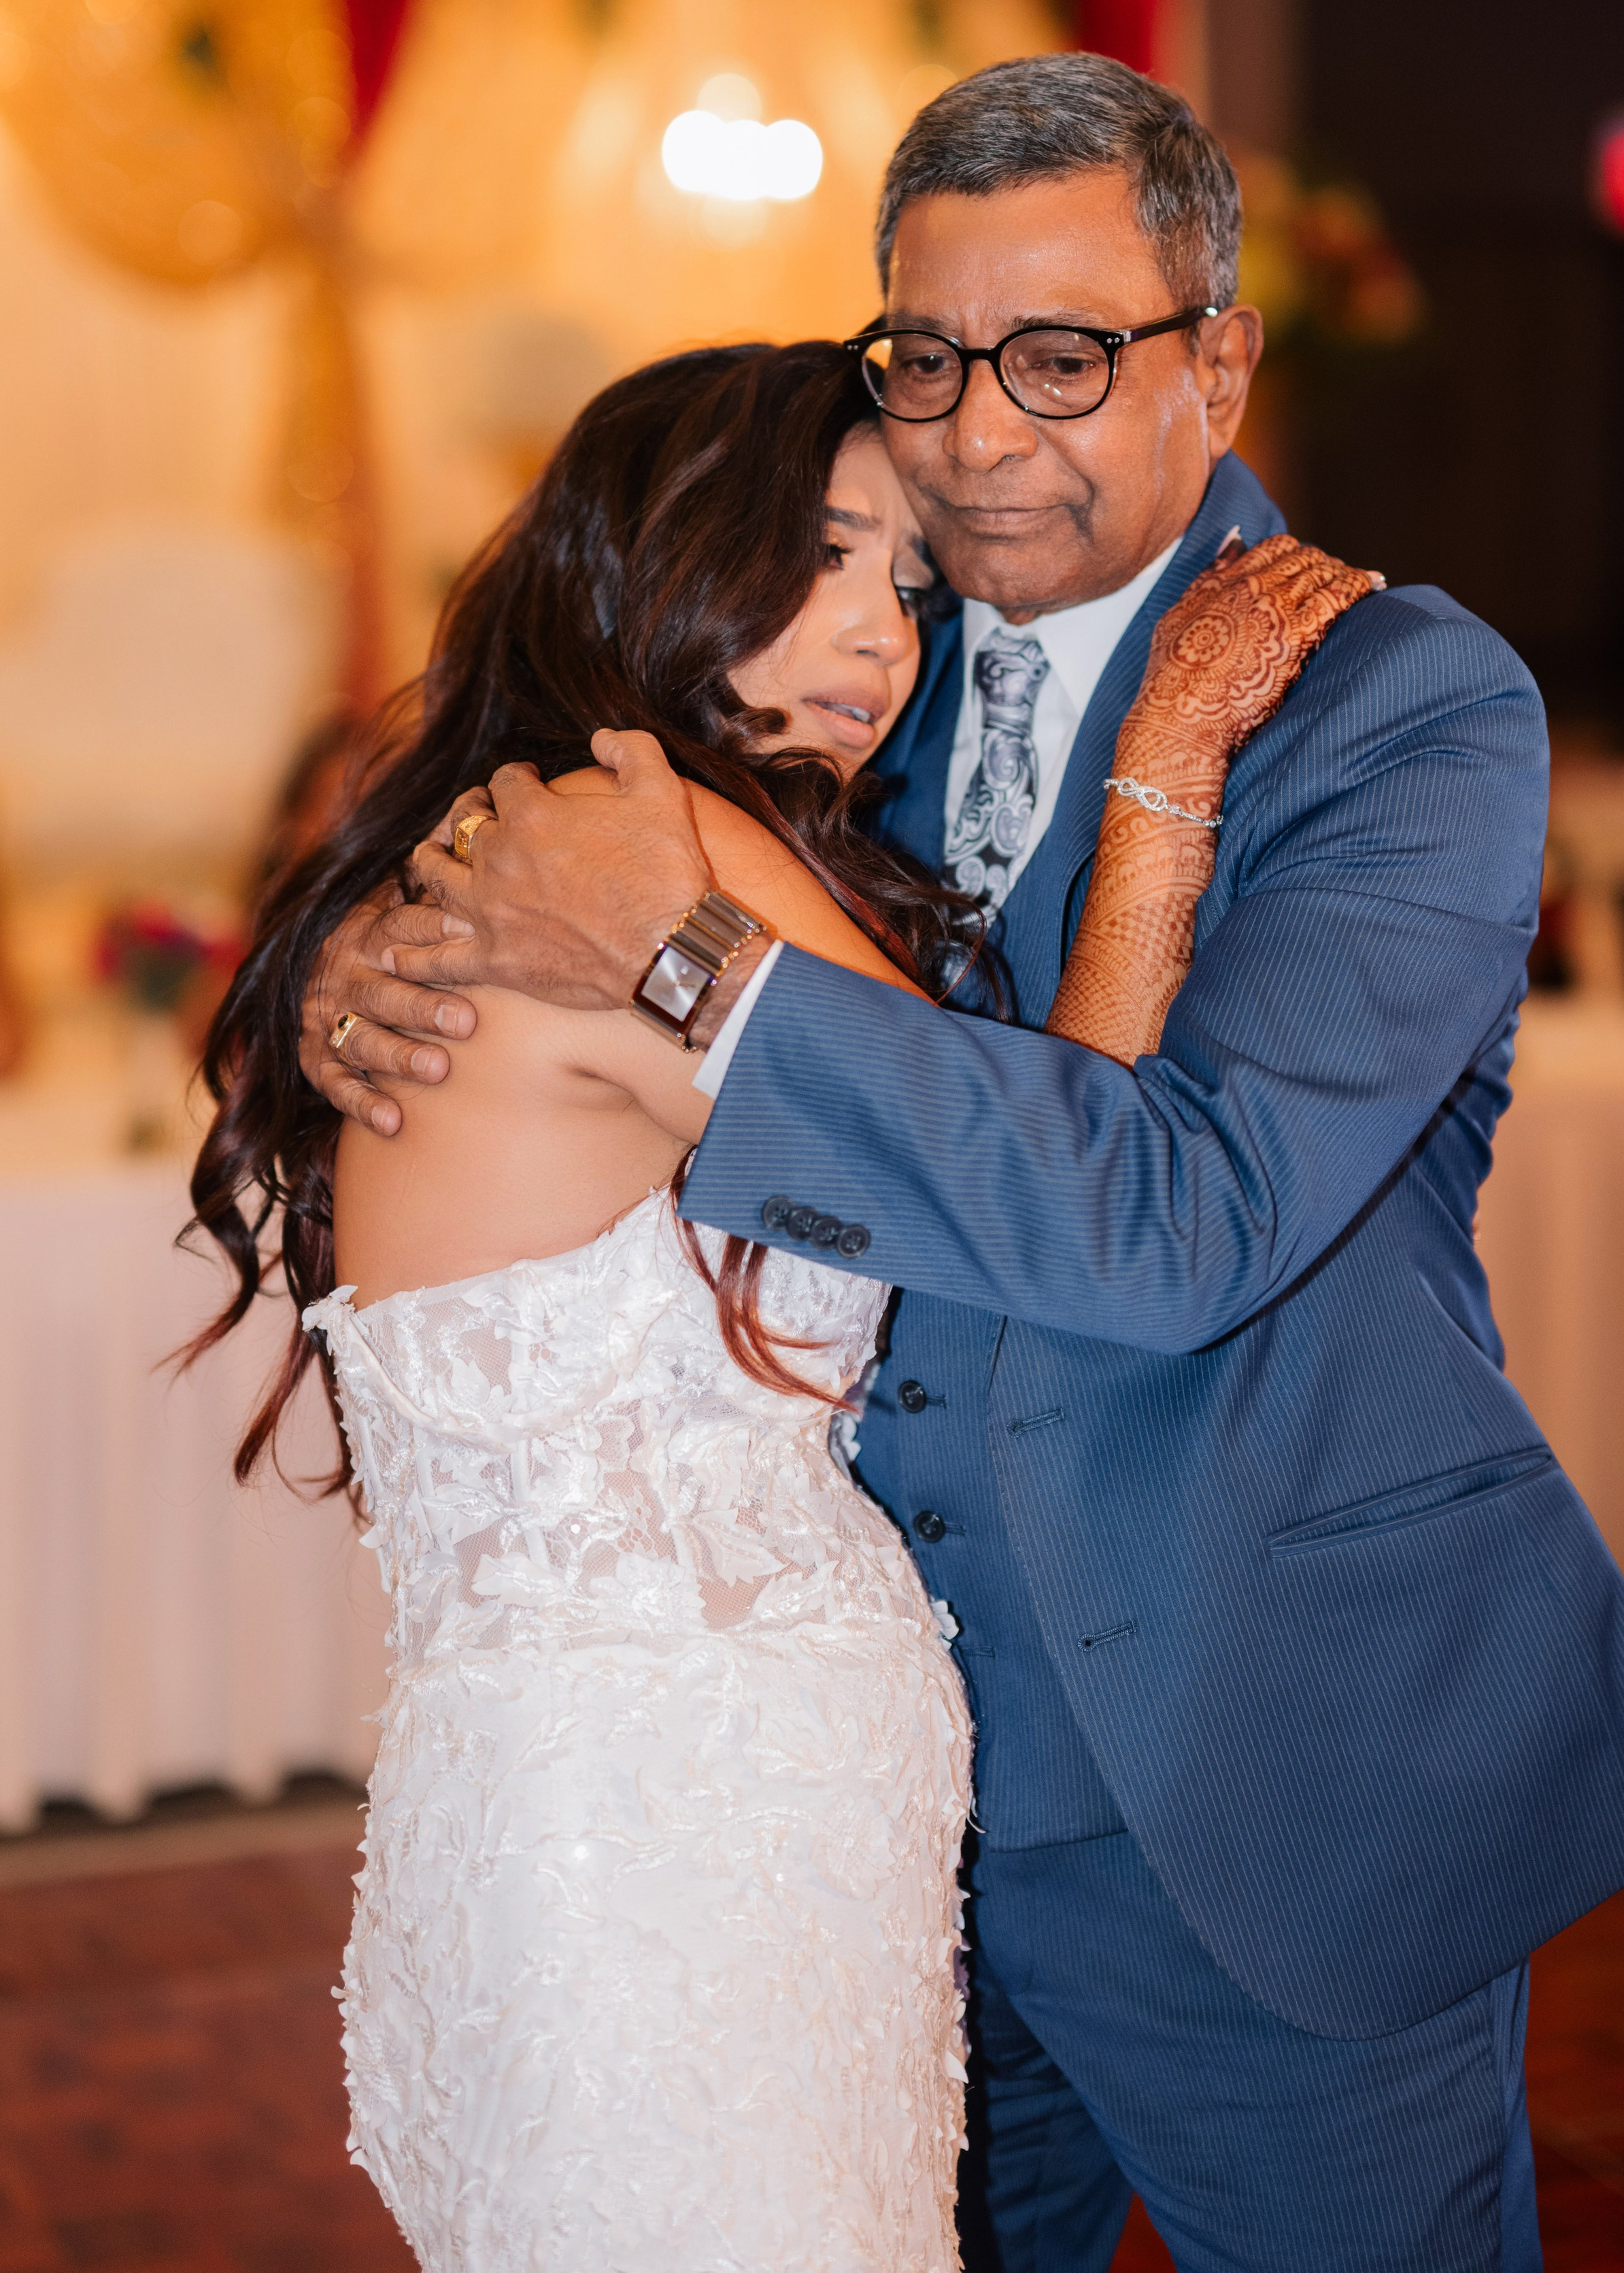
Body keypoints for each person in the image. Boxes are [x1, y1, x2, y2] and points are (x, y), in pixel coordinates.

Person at [306, 56, 1624, 2273]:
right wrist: (396, 956)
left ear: (1217, 363)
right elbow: (559, 846)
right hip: (856, 1814)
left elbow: (1181, 1217)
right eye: (931, 356)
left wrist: (677, 965)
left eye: (1063, 356)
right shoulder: (833, 658)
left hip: (1254, 1774)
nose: (978, 432)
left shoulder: (1391, 702)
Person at [193, 333, 1361, 2273]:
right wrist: (1164, 772)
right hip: (686, 1829)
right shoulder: (658, 855)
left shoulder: (508, 844)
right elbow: (1050, 1181)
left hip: (571, 1804)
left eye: (905, 580)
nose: (880, 632)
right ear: (655, 551)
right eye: (819, 554)